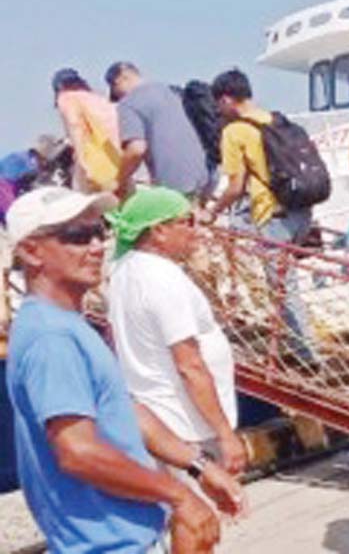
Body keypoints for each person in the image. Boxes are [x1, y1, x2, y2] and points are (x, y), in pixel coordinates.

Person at [5, 186, 244, 553]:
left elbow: (125, 407)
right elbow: (78, 452)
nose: (97, 245)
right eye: (77, 236)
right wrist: (180, 495)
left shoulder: (70, 324)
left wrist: (198, 466)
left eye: (99, 231)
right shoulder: (50, 337)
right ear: (31, 252)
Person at [106, 186, 245, 475]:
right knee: (206, 513)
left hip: (159, 421)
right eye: (186, 222)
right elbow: (190, 366)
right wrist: (225, 434)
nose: (196, 230)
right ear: (158, 231)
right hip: (188, 426)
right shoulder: (163, 279)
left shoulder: (123, 271)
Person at [204, 68, 317, 362]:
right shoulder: (275, 119)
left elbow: (235, 186)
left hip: (274, 214)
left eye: (219, 104)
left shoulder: (234, 131)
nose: (219, 111)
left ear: (227, 100)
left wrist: (212, 212)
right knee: (287, 285)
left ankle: (306, 355)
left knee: (281, 288)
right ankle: (296, 348)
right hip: (302, 210)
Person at [105, 61, 210, 199]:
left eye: (116, 91)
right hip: (203, 179)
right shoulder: (167, 91)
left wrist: (118, 181)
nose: (119, 98)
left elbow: (136, 149)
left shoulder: (128, 103)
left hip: (174, 189)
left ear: (120, 79)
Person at [51, 68, 121, 193]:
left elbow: (75, 126)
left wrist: (82, 163)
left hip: (97, 165)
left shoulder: (66, 98)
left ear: (59, 88)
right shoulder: (100, 100)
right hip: (119, 160)